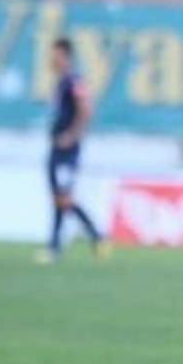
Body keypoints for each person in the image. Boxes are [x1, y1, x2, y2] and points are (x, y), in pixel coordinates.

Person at [35, 37, 108, 263]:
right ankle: (56, 245)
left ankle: (94, 236)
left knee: (64, 198)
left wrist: (72, 135)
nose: (52, 59)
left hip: (67, 150)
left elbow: (86, 108)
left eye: (55, 54)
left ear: (65, 56)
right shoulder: (61, 81)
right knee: (58, 197)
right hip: (56, 147)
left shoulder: (74, 80)